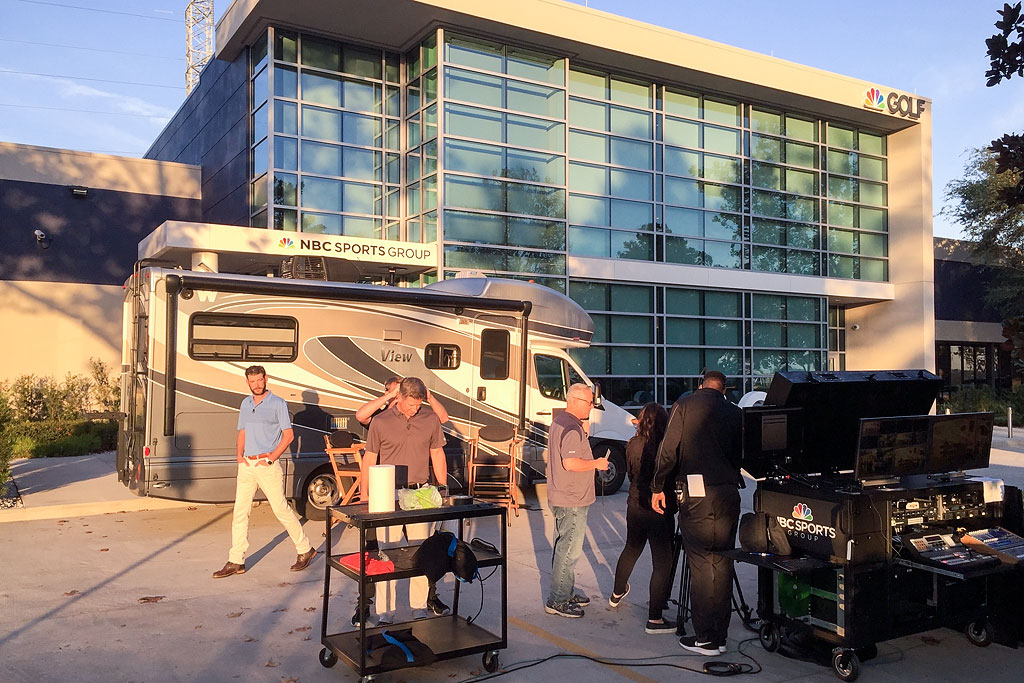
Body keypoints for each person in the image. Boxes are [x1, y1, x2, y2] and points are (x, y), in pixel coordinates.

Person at [650, 370, 742, 655]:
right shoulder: (735, 412)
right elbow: (744, 454)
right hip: (728, 494)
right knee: (723, 563)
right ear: (723, 390)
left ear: (701, 386)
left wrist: (657, 486)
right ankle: (720, 636)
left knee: (701, 564)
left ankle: (705, 638)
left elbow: (667, 451)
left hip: (696, 494)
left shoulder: (684, 405)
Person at [350, 376, 451, 621]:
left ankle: (419, 607)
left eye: (418, 405)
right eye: (410, 404)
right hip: (387, 494)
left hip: (420, 492)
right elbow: (370, 458)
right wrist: (365, 493)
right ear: (400, 397)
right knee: (387, 554)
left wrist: (443, 487)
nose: (414, 409)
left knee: (421, 551)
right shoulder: (380, 421)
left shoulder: (430, 419)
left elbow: (437, 453)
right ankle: (386, 612)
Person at [213, 366, 316, 578]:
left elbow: (288, 435)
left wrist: (271, 458)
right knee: (240, 513)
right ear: (247, 382)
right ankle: (236, 561)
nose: (257, 385)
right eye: (252, 381)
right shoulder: (246, 403)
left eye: (260, 380)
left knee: (281, 510)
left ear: (266, 379)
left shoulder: (278, 403)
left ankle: (305, 549)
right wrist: (239, 456)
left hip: (267, 466)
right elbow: (243, 431)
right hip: (247, 466)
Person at [609, 402, 677, 634]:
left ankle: (617, 592)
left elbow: (631, 473)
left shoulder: (632, 443)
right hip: (659, 507)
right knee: (662, 563)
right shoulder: (665, 446)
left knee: (631, 548)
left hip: (635, 504)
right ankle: (655, 618)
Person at [544, 383, 609, 618]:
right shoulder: (571, 428)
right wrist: (597, 463)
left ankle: (565, 591)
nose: (592, 407)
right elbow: (570, 463)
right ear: (575, 401)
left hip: (563, 495)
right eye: (589, 403)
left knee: (564, 546)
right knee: (569, 551)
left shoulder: (561, 422)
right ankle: (558, 600)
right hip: (571, 499)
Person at [355, 376, 450, 425]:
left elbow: (444, 419)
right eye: (396, 392)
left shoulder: (415, 410)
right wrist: (389, 396)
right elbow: (360, 416)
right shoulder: (380, 416)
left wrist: (430, 397)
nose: (398, 396)